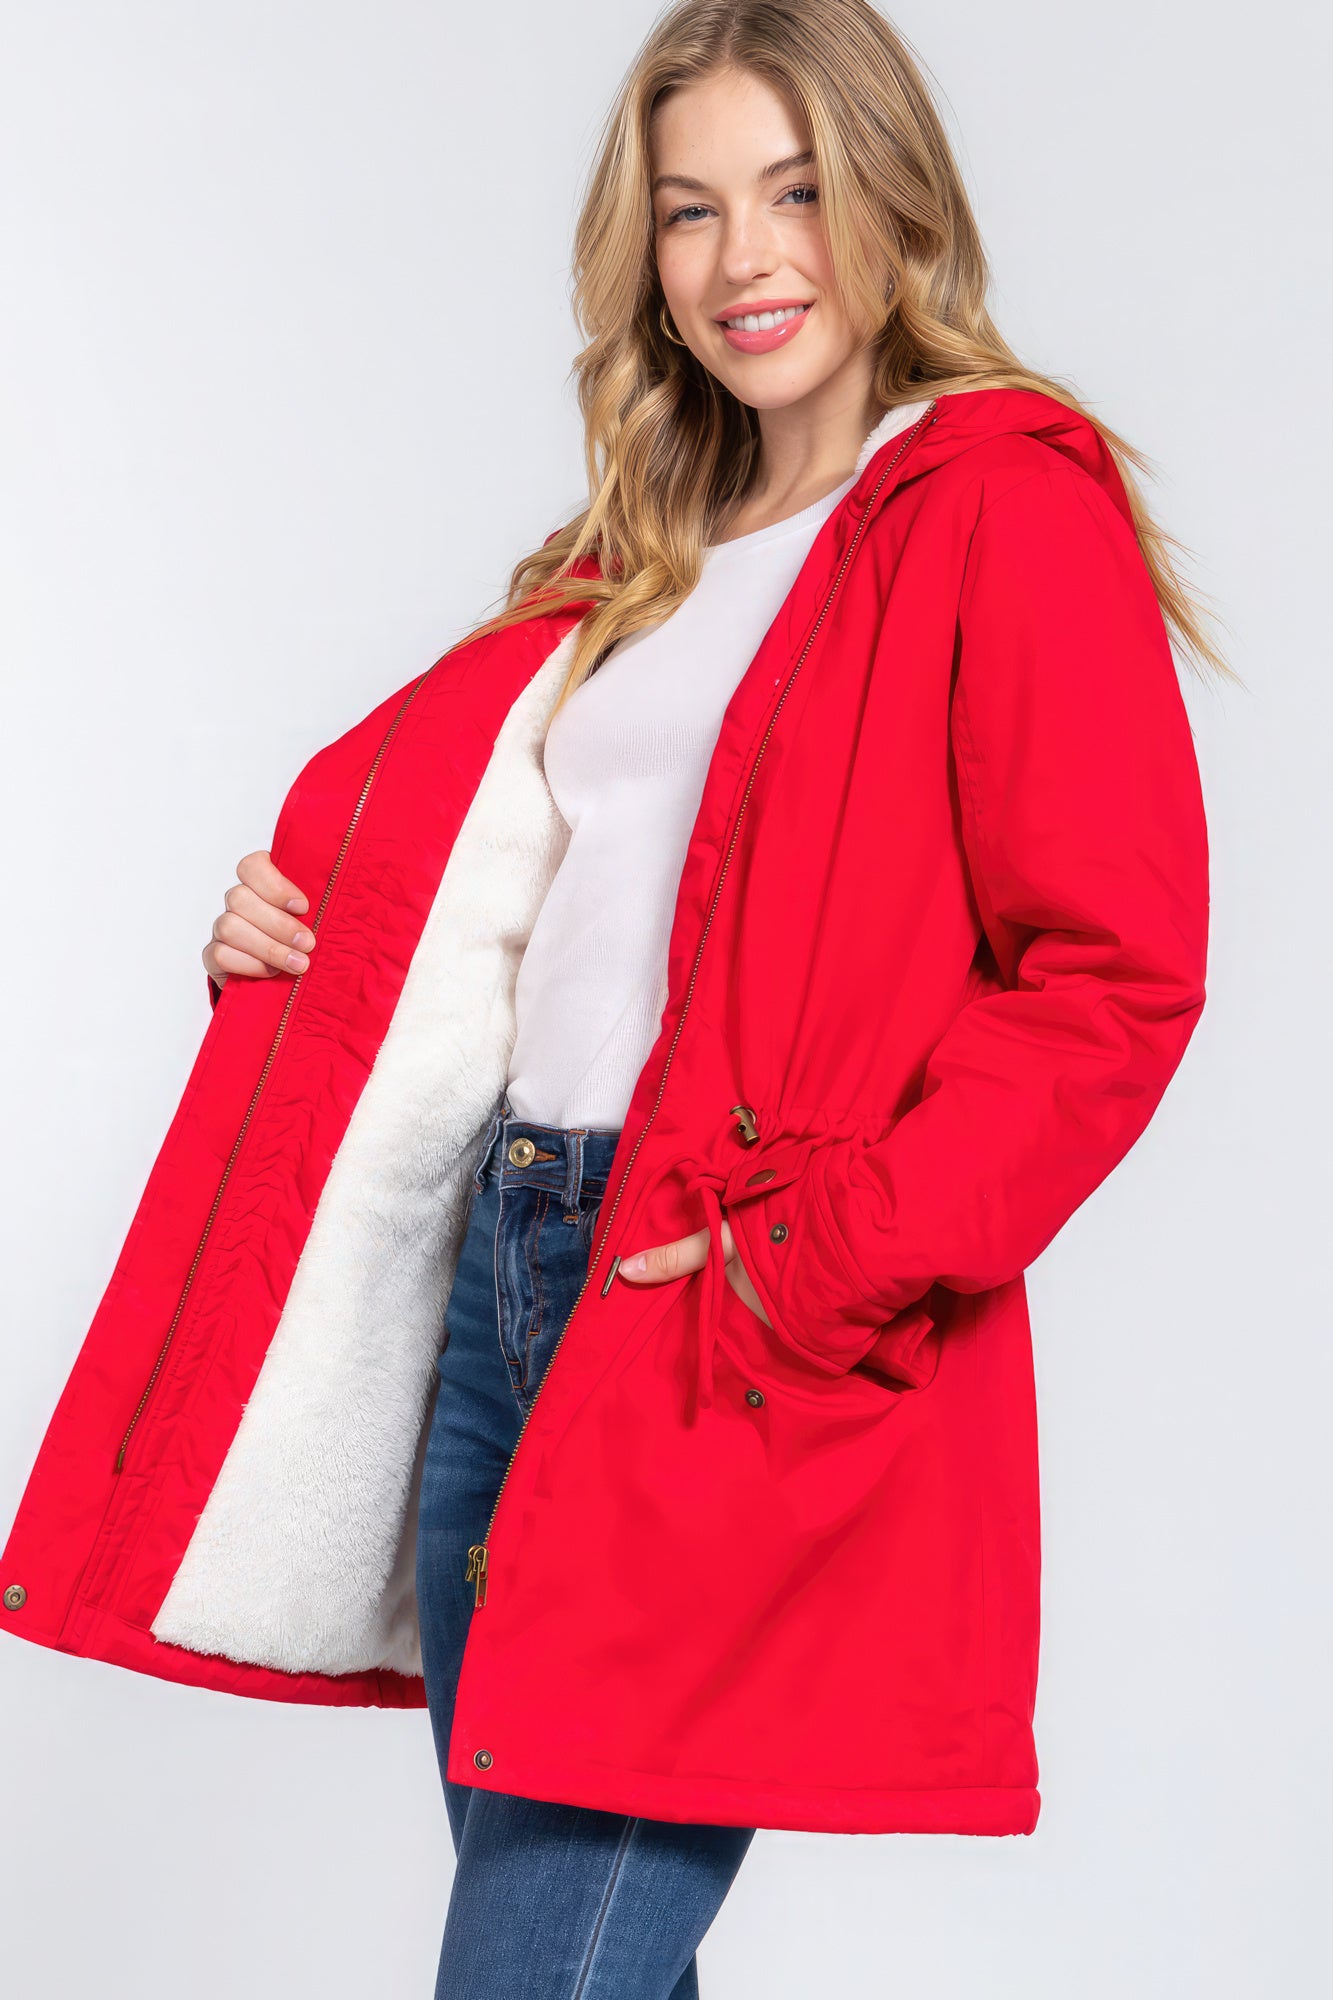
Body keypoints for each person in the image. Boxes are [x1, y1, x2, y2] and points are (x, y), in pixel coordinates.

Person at [0, 3, 1222, 1995]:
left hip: (720, 1322)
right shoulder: (639, 552)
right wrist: (292, 934)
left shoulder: (997, 505)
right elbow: (520, 899)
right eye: (689, 209)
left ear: (896, 203)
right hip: (509, 1274)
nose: (744, 258)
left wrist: (815, 1258)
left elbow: (1110, 983)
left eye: (795, 192)